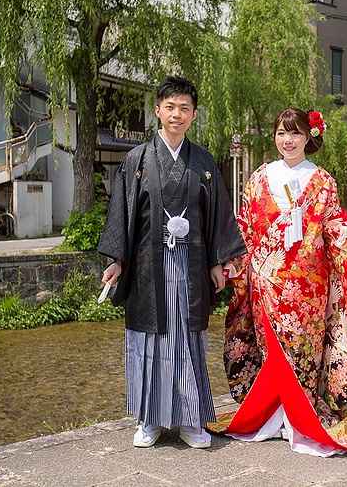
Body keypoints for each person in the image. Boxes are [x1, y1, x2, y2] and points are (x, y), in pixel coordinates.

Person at [207, 108, 347, 456]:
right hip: (266, 281)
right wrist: (231, 262)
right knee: (271, 350)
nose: (288, 140)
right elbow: (245, 225)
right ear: (274, 136)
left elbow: (331, 227)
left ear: (309, 137)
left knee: (303, 352)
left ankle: (299, 416)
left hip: (308, 285)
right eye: (282, 133)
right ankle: (273, 416)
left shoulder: (322, 180)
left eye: (296, 134)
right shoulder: (259, 178)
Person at [98, 76, 246, 449]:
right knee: (151, 341)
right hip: (148, 266)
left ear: (193, 115)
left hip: (191, 266)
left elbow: (216, 215)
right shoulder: (136, 160)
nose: (176, 115)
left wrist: (217, 261)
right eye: (170, 107)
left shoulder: (204, 163)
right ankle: (149, 420)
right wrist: (118, 260)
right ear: (157, 111)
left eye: (184, 108)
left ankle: (190, 420)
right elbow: (122, 215)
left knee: (185, 340)